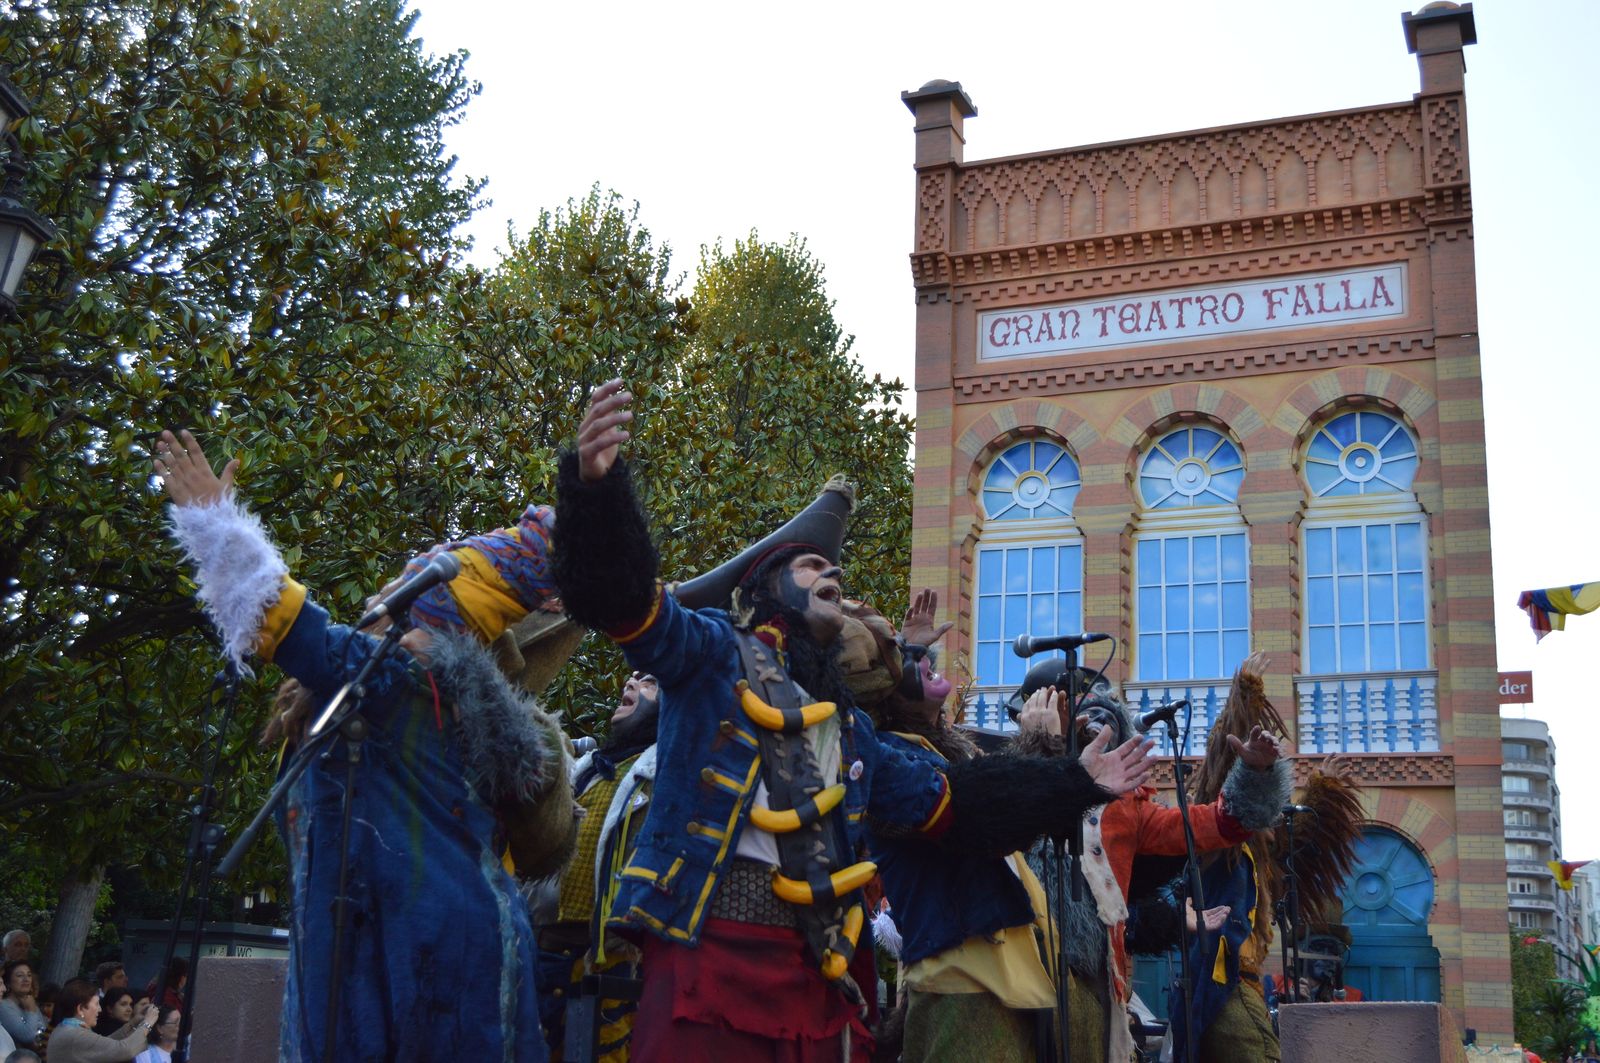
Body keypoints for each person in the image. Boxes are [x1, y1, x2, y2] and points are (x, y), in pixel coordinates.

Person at [552, 379, 1156, 1061]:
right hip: (705, 960)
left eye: (832, 564)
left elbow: (956, 800)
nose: (830, 569)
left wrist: (1072, 781)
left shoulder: (851, 730)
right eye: (811, 564)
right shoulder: (709, 651)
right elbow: (625, 602)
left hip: (813, 979)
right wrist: (595, 491)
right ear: (759, 591)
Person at [154, 427, 577, 1061]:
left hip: (425, 960)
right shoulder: (376, 700)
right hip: (419, 946)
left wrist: (214, 522)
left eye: (398, 604)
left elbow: (289, 624)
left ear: (439, 627)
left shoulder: (404, 683)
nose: (377, 610)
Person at [1011, 663, 1293, 1061]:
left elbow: (1211, 825)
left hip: (1091, 976)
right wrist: (1040, 752)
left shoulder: (1128, 804)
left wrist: (1256, 772)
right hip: (1016, 965)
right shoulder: (1013, 778)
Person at [1167, 654, 1364, 1063]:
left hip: (1246, 982)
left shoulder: (1262, 861)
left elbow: (1307, 850)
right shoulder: (1219, 844)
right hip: (1223, 981)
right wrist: (1247, 700)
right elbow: (1224, 776)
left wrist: (1324, 795)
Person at [533, 670, 663, 1061]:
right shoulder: (588, 766)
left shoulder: (666, 772)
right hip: (547, 953)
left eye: (650, 682)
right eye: (630, 679)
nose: (630, 684)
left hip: (612, 963)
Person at [45, 978, 155, 1063]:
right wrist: (148, 1023)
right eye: (96, 1004)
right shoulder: (74, 1035)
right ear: (81, 1008)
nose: (100, 1009)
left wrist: (133, 1022)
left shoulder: (68, 1029)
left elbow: (106, 1043)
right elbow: (123, 1050)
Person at [0, 961, 46, 1049]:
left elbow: (43, 1035)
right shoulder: (4, 1006)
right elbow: (27, 1037)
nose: (26, 979)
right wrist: (31, 1010)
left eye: (29, 975)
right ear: (8, 982)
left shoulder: (30, 1003)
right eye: (20, 975)